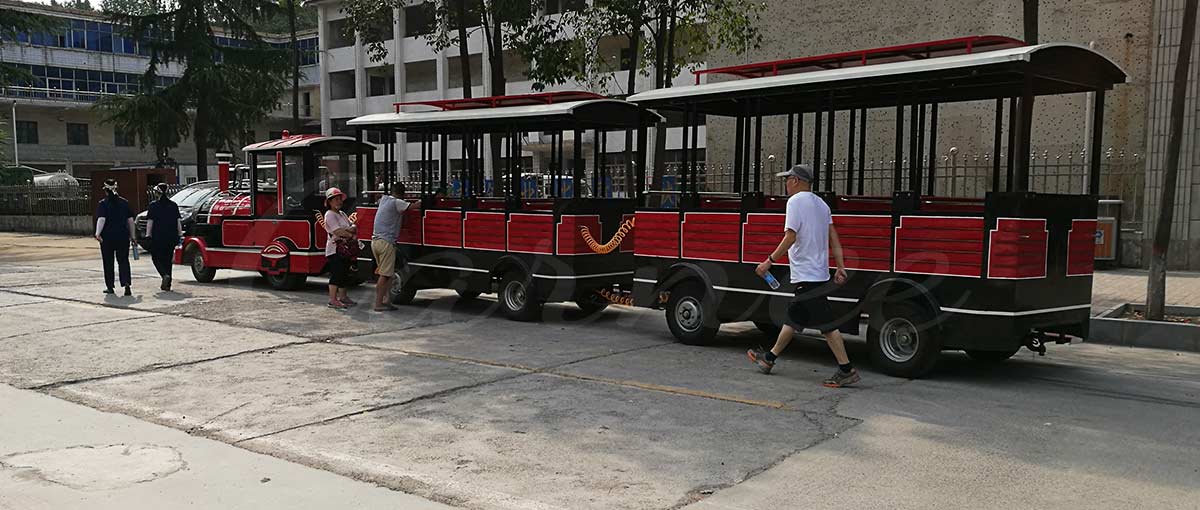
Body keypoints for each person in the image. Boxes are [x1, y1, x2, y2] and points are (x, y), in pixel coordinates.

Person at [747, 164, 859, 388]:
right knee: (794, 318)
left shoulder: (795, 202)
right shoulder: (822, 205)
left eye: (787, 180)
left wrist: (769, 261)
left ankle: (846, 370)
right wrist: (840, 266)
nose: (786, 184)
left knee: (827, 326)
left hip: (808, 274)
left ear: (796, 180)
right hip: (817, 273)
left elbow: (790, 236)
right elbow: (833, 237)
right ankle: (769, 359)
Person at [371, 182, 417, 311]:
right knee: (385, 275)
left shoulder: (383, 200)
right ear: (403, 193)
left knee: (389, 274)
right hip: (386, 242)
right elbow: (414, 206)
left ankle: (386, 300)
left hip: (375, 241)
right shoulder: (397, 202)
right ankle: (378, 304)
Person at [94, 179, 136, 296]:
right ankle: (126, 284)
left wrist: (98, 233)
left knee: (108, 262)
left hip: (107, 237)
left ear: (106, 191)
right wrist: (133, 236)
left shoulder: (103, 203)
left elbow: (101, 219)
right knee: (123, 261)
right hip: (123, 236)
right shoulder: (124, 203)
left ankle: (110, 286)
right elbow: (130, 221)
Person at [323, 187, 357, 309]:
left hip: (345, 250)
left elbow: (352, 225)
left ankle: (343, 297)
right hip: (334, 250)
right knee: (336, 274)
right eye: (335, 199)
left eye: (339, 199)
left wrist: (348, 230)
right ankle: (332, 299)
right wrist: (350, 234)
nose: (339, 201)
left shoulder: (342, 214)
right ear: (329, 202)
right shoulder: (329, 214)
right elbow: (337, 230)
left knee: (344, 274)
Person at [145, 183, 183, 291]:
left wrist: (148, 235)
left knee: (156, 257)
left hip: (158, 236)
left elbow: (150, 222)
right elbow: (178, 221)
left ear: (157, 193)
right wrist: (180, 235)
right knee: (168, 259)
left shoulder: (153, 205)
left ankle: (164, 275)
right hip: (171, 236)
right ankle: (168, 283)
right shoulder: (174, 205)